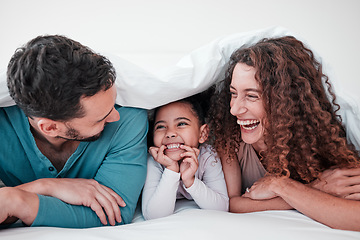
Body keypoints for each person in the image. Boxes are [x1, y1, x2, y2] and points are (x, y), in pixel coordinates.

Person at [207, 36, 360, 231]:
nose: (234, 110)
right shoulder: (229, 137)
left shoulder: (317, 141)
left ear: (285, 101)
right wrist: (312, 190)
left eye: (251, 96)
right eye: (233, 93)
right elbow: (232, 204)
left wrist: (280, 186)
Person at [0, 35, 148, 228]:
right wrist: (45, 187)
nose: (115, 117)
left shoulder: (129, 118)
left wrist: (17, 201)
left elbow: (113, 213)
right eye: (101, 118)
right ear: (51, 128)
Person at [142, 94, 229, 220]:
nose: (170, 133)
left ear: (203, 133)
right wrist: (171, 170)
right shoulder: (155, 161)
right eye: (161, 126)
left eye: (181, 124)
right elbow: (154, 216)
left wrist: (190, 181)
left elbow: (221, 208)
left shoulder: (208, 156)